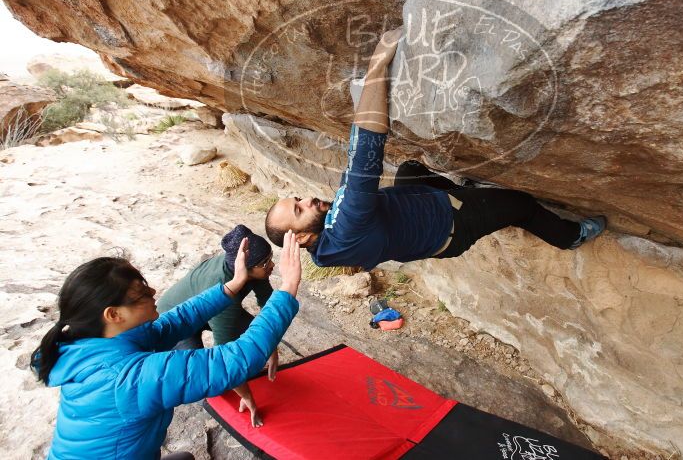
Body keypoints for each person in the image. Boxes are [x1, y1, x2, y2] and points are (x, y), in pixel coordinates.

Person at [264, 28, 606, 270]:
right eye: (298, 210)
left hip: (410, 223)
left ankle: (463, 189)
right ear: (304, 238)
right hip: (451, 224)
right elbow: (364, 155)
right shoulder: (345, 229)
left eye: (296, 198)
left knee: (411, 170)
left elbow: (352, 183)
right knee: (522, 205)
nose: (305, 200)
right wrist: (377, 67)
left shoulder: (328, 239)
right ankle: (570, 236)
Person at [30, 230, 303, 460]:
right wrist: (288, 288)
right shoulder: (130, 378)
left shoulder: (95, 342)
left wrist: (232, 285)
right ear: (114, 314)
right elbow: (235, 360)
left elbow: (177, 320)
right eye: (141, 294)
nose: (153, 293)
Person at [157, 224, 278, 427]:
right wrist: (247, 396)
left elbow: (270, 307)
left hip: (208, 308)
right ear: (244, 268)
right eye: (266, 262)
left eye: (270, 257)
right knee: (202, 376)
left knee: (258, 336)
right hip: (176, 322)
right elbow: (225, 354)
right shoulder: (222, 288)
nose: (272, 265)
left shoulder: (254, 268)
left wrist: (271, 347)